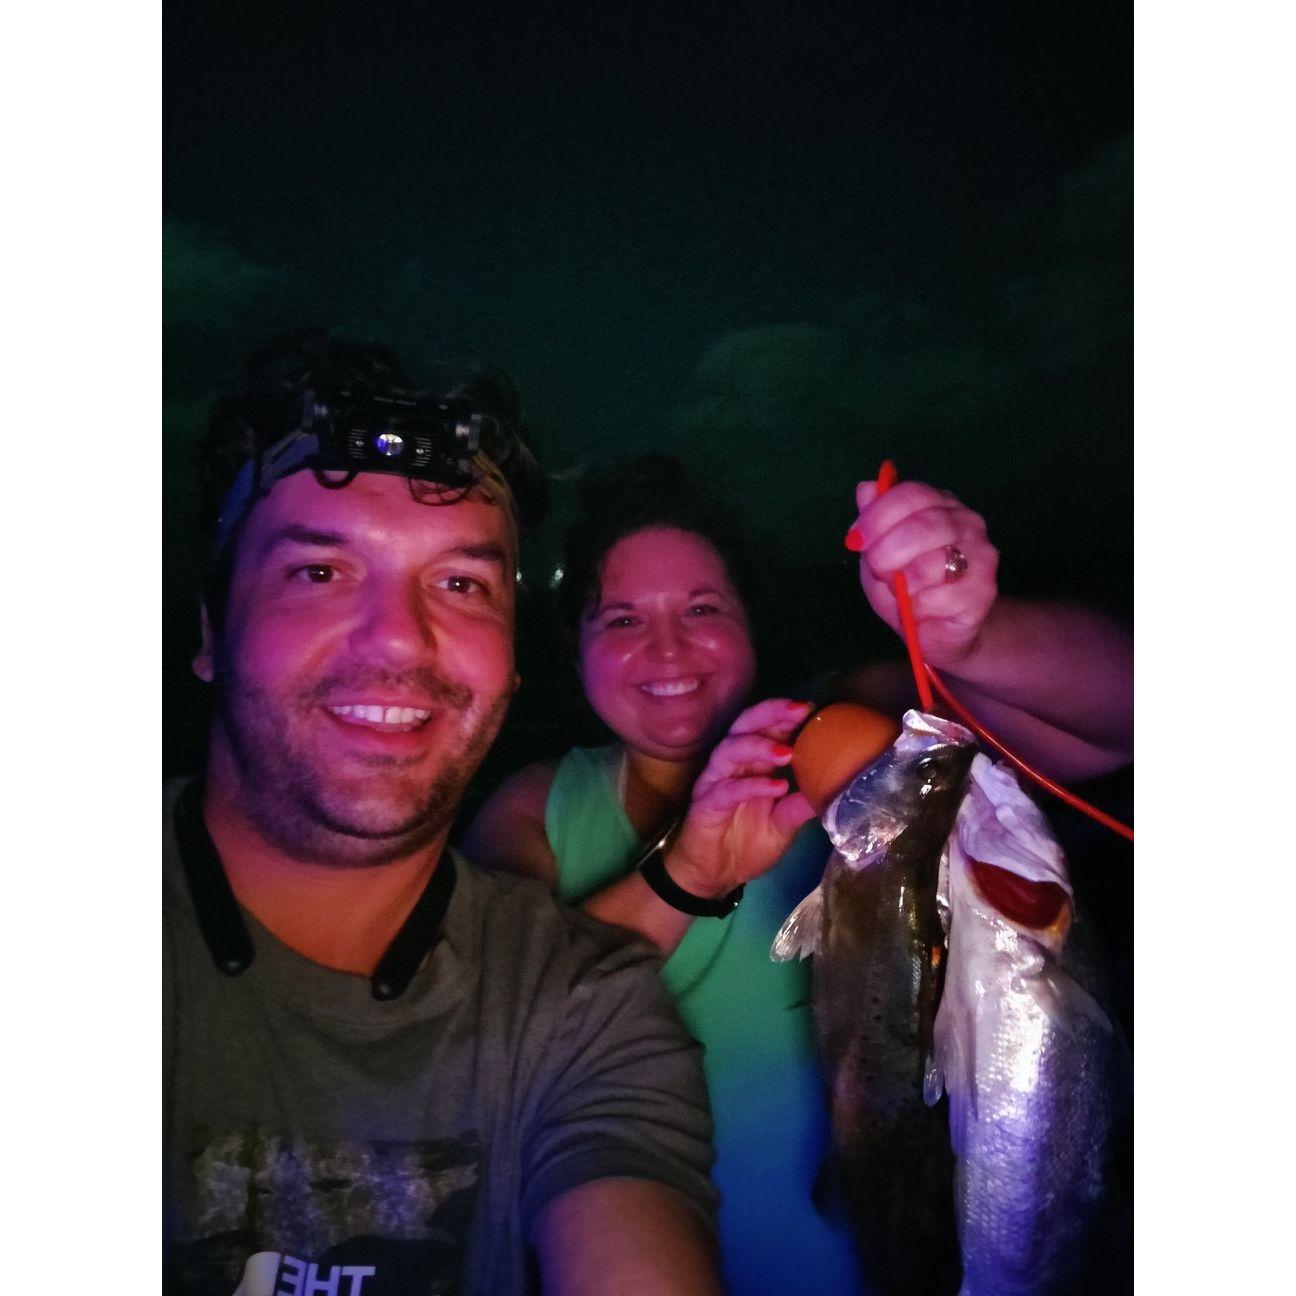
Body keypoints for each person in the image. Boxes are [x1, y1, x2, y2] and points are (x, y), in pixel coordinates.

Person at [163, 335, 810, 1296]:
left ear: (508, 657)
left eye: (460, 583)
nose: (398, 636)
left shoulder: (587, 1009)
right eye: (319, 572)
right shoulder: (541, 811)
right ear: (210, 631)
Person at [461, 455, 1134, 1295]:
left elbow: (1124, 716)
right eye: (622, 620)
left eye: (703, 608)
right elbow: (481, 1043)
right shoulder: (531, 808)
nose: (666, 648)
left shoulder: (855, 738)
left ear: (752, 623)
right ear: (576, 648)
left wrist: (974, 636)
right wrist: (688, 872)